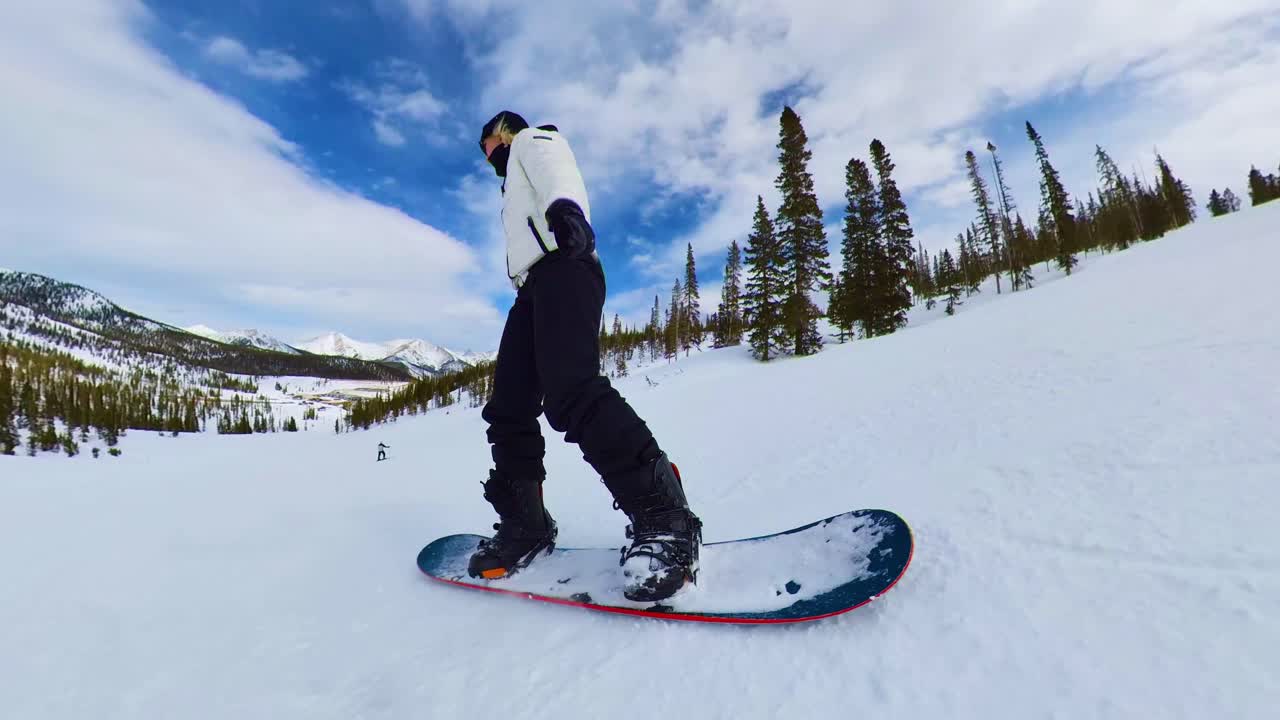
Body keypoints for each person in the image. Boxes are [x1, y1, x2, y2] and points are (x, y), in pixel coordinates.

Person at [469, 110, 701, 602]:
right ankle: (526, 523)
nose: (486, 156)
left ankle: (665, 518)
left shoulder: (534, 139)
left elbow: (558, 170)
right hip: (532, 286)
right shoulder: (508, 185)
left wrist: (566, 211)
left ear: (503, 133)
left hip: (566, 268)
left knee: (571, 390)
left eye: (487, 145)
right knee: (509, 407)